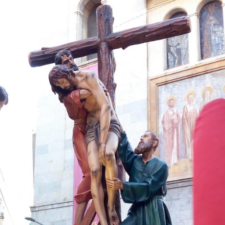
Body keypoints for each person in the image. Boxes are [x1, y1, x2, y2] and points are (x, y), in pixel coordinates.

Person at [49, 64, 120, 225]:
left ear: (65, 73)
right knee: (94, 171)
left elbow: (106, 107)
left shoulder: (89, 77)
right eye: (58, 86)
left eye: (61, 81)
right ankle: (103, 220)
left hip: (108, 123)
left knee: (108, 154)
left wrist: (102, 143)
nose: (63, 86)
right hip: (90, 127)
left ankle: (111, 208)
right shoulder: (68, 93)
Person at [50, 50, 92, 224]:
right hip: (81, 131)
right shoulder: (67, 92)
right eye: (65, 61)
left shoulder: (80, 79)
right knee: (90, 173)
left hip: (94, 128)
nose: (70, 62)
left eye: (70, 59)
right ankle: (80, 221)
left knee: (101, 171)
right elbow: (90, 93)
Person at [106, 127, 172, 225]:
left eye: (145, 136)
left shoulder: (161, 166)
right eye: (141, 136)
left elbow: (148, 187)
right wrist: (116, 120)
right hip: (136, 211)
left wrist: (122, 186)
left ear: (154, 143)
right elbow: (124, 147)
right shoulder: (134, 161)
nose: (141, 138)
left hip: (154, 210)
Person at [162, 97, 181, 166]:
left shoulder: (176, 111)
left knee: (175, 145)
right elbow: (164, 123)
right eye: (170, 102)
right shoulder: (166, 113)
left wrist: (176, 120)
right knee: (170, 146)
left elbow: (179, 118)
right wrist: (170, 120)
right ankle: (170, 161)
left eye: (173, 102)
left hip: (175, 131)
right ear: (168, 103)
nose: (172, 103)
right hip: (169, 133)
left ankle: (175, 160)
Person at [182, 91, 199, 160]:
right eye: (189, 98)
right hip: (187, 126)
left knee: (195, 139)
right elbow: (183, 117)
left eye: (191, 98)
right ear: (187, 99)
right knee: (189, 140)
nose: (190, 99)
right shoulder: (185, 107)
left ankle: (196, 154)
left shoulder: (195, 106)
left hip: (194, 125)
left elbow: (198, 116)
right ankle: (190, 156)